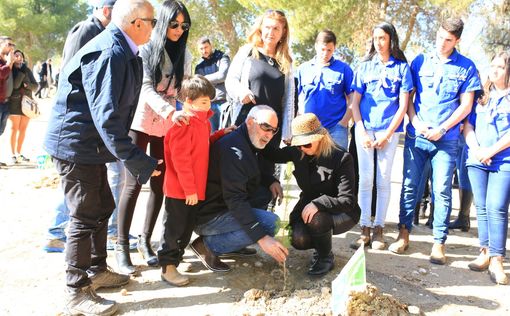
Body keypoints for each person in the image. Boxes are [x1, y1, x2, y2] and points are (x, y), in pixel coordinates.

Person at [43, 1, 158, 315]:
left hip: (91, 146)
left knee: (103, 205)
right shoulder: (110, 52)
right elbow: (106, 117)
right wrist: (139, 161)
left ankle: (96, 270)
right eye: (153, 20)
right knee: (83, 213)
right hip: (76, 145)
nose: (155, 26)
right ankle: (75, 290)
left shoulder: (123, 49)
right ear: (135, 22)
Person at [389, 18, 482, 265]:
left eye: (448, 40)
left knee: (441, 190)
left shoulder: (467, 67)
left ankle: (439, 243)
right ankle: (403, 233)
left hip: (446, 140)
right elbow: (408, 97)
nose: (442, 43)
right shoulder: (420, 61)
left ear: (457, 41)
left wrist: (443, 128)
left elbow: (466, 105)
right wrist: (416, 122)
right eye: (440, 37)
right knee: (410, 186)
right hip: (417, 136)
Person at [116, 0, 193, 274]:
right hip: (141, 121)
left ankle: (145, 242)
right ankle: (121, 246)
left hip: (166, 125)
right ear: (162, 22)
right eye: (174, 24)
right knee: (133, 184)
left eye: (184, 25)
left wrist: (195, 105)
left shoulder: (185, 53)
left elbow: (184, 92)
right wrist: (168, 110)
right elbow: (146, 88)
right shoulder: (147, 47)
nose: (179, 30)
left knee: (161, 184)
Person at [42, 0, 123, 254]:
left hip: (90, 131)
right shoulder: (86, 31)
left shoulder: (102, 32)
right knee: (80, 196)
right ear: (108, 11)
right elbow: (73, 77)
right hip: (76, 129)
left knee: (87, 195)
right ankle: (56, 233)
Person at [192, 105, 289, 272]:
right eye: (266, 127)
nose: (269, 135)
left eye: (274, 130)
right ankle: (206, 245)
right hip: (208, 216)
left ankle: (233, 243)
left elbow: (250, 172)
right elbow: (235, 200)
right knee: (270, 224)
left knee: (264, 194)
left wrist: (271, 180)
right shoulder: (235, 150)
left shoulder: (246, 139)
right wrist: (261, 237)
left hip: (221, 204)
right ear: (250, 122)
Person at [263, 113, 360, 275]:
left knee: (317, 218)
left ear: (320, 138)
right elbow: (270, 154)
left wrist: (318, 203)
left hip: (343, 212)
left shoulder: (342, 158)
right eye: (298, 144)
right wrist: (251, 133)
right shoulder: (298, 151)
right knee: (298, 239)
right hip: (309, 207)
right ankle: (322, 244)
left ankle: (325, 257)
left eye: (306, 144)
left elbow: (347, 200)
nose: (302, 148)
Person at [159, 75, 232, 286]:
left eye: (209, 100)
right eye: (203, 102)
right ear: (188, 102)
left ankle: (175, 262)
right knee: (174, 229)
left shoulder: (203, 123)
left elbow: (202, 146)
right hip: (180, 190)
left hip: (193, 189)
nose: (208, 104)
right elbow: (181, 161)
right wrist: (189, 189)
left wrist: (219, 134)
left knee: (185, 227)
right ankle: (167, 267)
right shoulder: (184, 124)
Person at [349, 22, 413, 250]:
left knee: (383, 180)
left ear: (391, 40)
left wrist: (387, 134)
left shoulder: (402, 69)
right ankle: (364, 227)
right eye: (375, 38)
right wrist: (361, 130)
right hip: (365, 130)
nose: (379, 42)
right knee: (365, 179)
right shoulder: (364, 67)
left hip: (389, 130)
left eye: (383, 38)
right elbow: (354, 103)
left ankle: (378, 229)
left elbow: (403, 106)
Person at [225, 9, 294, 208]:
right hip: (246, 124)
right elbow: (231, 80)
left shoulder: (286, 62)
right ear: (260, 28)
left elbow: (288, 100)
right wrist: (240, 92)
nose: (271, 32)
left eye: (276, 29)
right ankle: (237, 222)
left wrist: (287, 132)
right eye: (267, 27)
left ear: (283, 32)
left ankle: (260, 221)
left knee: (265, 178)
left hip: (271, 131)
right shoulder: (248, 51)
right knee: (241, 172)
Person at [465, 51, 510, 285]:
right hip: (477, 158)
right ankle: (484, 252)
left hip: (503, 160)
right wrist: (478, 150)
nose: (495, 70)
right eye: (492, 65)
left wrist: (489, 152)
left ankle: (497, 259)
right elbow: (468, 126)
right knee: (481, 208)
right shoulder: (481, 96)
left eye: (500, 67)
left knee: (497, 207)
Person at [295, 30, 353, 149]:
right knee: (309, 166)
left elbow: (353, 99)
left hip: (336, 129)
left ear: (334, 49)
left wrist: (343, 123)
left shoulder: (344, 69)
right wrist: (297, 120)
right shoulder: (303, 69)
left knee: (338, 165)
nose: (325, 53)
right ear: (316, 46)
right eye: (322, 49)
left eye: (329, 50)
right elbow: (293, 97)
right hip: (310, 130)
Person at [7, 50, 38, 164]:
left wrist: (27, 85)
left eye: (20, 55)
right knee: (14, 129)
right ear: (13, 58)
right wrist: (21, 72)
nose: (19, 57)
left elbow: (36, 86)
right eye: (16, 55)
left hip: (27, 104)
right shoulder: (10, 70)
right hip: (14, 103)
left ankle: (19, 153)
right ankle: (12, 154)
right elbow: (15, 85)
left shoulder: (27, 70)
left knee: (23, 130)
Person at [194, 36, 230, 131]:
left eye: (206, 47)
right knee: (212, 135)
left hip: (224, 102)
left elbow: (223, 75)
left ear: (211, 46)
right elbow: (198, 85)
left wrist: (204, 78)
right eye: (201, 48)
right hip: (208, 105)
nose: (204, 50)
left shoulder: (222, 57)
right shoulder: (199, 66)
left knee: (226, 132)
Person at [0, 36, 15, 168]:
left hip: (5, 102)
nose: (11, 47)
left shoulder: (7, 61)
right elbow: (1, 74)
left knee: (0, 131)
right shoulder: (6, 62)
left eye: (12, 45)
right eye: (9, 44)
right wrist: (9, 63)